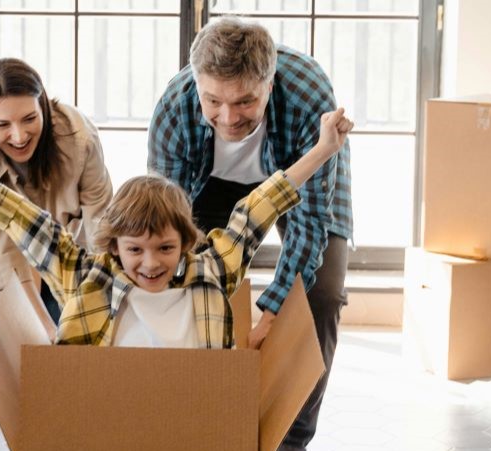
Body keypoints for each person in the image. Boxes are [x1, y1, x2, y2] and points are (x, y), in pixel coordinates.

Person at [0, 107, 351, 348]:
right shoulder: (86, 278)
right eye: (135, 250)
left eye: (166, 248)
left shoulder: (212, 271)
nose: (150, 263)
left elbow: (259, 208)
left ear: (187, 243)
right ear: (114, 248)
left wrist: (324, 149)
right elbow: (22, 216)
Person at [147, 17, 352, 449]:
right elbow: (166, 222)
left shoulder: (309, 97)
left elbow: (311, 220)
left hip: (299, 177)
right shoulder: (174, 108)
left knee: (323, 293)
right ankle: (201, 417)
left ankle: (291, 437)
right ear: (197, 85)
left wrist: (274, 310)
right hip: (209, 184)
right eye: (213, 101)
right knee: (188, 282)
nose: (227, 117)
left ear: (270, 83)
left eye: (244, 102)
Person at [0, 58, 113, 341]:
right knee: (26, 343)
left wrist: (104, 300)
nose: (19, 136)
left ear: (43, 106)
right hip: (8, 265)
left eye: (30, 119)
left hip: (66, 256)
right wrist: (46, 329)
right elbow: (5, 255)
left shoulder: (80, 139)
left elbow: (101, 224)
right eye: (3, 124)